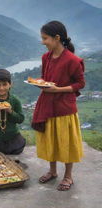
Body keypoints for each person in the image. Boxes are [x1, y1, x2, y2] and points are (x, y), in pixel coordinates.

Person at [32, 21, 85, 191]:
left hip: (64, 108)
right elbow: (45, 77)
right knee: (51, 140)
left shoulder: (73, 60)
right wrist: (41, 83)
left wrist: (58, 90)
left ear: (57, 38)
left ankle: (68, 176)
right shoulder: (45, 57)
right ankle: (53, 171)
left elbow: (80, 84)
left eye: (45, 38)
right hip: (47, 105)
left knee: (66, 142)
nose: (43, 42)